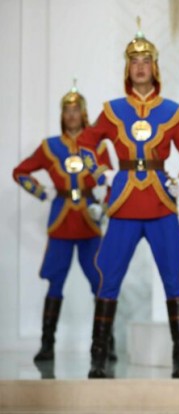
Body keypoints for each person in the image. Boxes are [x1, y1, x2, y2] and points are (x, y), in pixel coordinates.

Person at [78, 23, 179, 379]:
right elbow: (85, 144)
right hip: (123, 203)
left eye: (146, 61)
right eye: (134, 61)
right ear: (127, 68)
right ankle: (98, 357)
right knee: (108, 277)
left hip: (161, 203)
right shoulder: (112, 109)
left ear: (155, 67)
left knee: (173, 276)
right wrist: (101, 174)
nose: (141, 67)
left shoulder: (173, 112)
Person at [13, 84, 111, 363]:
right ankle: (47, 345)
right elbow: (20, 172)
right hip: (61, 221)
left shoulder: (97, 146)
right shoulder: (50, 146)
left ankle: (105, 343)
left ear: (84, 113)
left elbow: (111, 181)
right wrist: (40, 191)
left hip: (89, 221)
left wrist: (104, 207)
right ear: (62, 114)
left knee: (101, 281)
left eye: (76, 110)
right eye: (67, 110)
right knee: (55, 282)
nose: (71, 115)